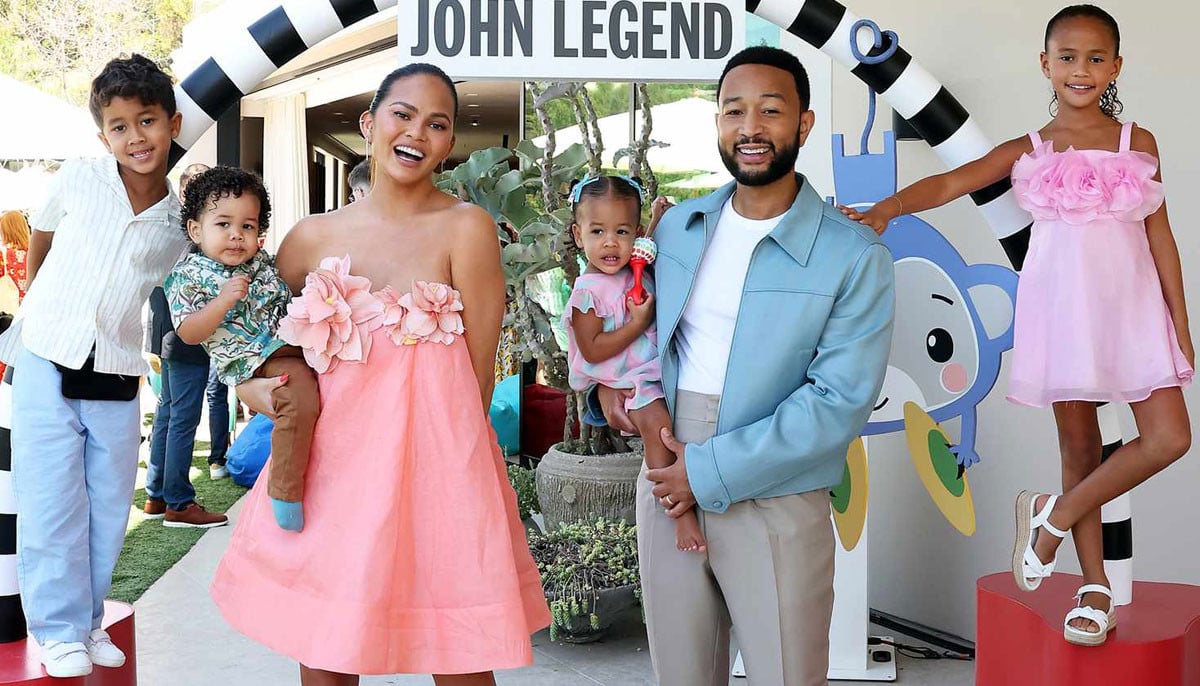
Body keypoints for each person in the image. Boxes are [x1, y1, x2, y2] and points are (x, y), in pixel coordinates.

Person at [843, 4, 1191, 648]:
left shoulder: (1137, 143)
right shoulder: (1029, 149)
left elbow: (1161, 238)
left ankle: (1051, 517)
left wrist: (1180, 323)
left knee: (1169, 438)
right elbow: (950, 182)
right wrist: (888, 208)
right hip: (1061, 315)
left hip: (1133, 314)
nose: (1080, 69)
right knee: (1080, 449)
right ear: (1045, 64)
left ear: (1116, 66)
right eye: (1067, 57)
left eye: (1095, 58)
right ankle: (1094, 589)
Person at [210, 63, 550, 686]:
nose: (416, 132)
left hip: (438, 472)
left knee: (458, 651)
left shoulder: (466, 228)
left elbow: (479, 371)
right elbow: (251, 339)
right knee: (328, 645)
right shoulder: (309, 237)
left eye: (436, 123)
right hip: (332, 470)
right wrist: (253, 388)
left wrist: (460, 475)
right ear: (369, 124)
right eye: (403, 114)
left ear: (449, 144)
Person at [591, 46, 895, 685]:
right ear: (718, 123)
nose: (750, 127)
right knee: (681, 674)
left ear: (804, 125)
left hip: (775, 487)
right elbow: (636, 329)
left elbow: (839, 402)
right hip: (666, 473)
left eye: (771, 110)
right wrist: (605, 395)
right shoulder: (677, 229)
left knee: (786, 673)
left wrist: (705, 471)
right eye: (734, 111)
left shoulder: (853, 254)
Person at [0, 54, 189, 678]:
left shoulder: (179, 222)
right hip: (44, 358)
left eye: (148, 120)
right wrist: (36, 311)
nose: (136, 137)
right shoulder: (79, 178)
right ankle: (56, 632)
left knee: (107, 507)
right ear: (103, 135)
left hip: (114, 370)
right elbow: (42, 237)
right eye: (119, 126)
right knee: (51, 502)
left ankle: (85, 623)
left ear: (173, 123)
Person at [165, 166, 315, 533]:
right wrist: (221, 302)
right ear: (195, 230)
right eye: (223, 224)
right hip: (257, 357)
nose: (236, 235)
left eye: (248, 226)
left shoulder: (261, 263)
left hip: (294, 341)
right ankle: (285, 489)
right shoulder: (188, 275)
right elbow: (188, 332)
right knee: (299, 401)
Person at [563, 178, 704, 552]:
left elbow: (645, 250)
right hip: (625, 379)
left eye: (622, 232)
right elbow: (592, 350)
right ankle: (677, 509)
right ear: (578, 235)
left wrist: (657, 218)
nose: (611, 243)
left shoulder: (631, 268)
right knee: (658, 428)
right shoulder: (588, 292)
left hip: (648, 369)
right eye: (598, 232)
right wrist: (637, 324)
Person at [143, 285, 229, 528]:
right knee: (181, 418)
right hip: (186, 333)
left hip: (164, 328)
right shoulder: (186, 258)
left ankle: (157, 496)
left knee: (167, 412)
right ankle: (179, 503)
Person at [178, 163, 234, 480]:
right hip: (183, 339)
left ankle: (217, 458)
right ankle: (170, 490)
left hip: (225, 337)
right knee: (180, 411)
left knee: (217, 394)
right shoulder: (179, 241)